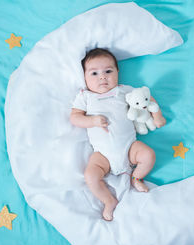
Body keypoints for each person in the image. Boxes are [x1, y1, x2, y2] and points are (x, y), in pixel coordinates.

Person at [70, 48, 166, 221]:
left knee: (148, 155)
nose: (102, 77)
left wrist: (157, 116)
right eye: (94, 73)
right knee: (90, 176)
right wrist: (92, 121)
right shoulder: (86, 97)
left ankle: (136, 177)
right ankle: (108, 201)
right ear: (84, 76)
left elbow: (147, 99)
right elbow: (75, 117)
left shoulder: (124, 91)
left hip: (129, 147)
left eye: (108, 71)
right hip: (102, 155)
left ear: (117, 72)